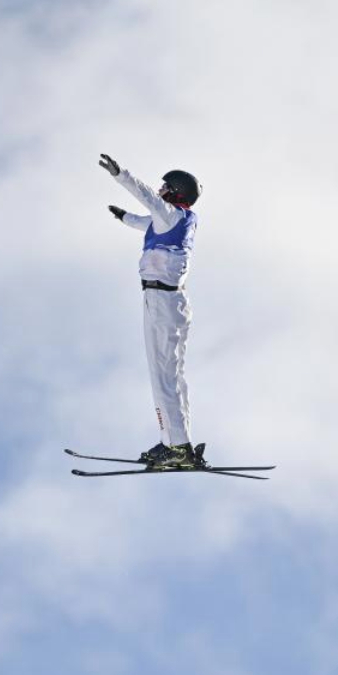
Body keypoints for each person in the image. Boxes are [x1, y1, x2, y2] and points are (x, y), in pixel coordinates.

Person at [98, 153, 205, 470]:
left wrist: (121, 175)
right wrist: (123, 218)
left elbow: (146, 197)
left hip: (161, 301)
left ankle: (177, 448)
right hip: (170, 301)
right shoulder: (178, 220)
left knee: (162, 376)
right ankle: (175, 440)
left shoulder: (170, 214)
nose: (159, 190)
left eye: (164, 187)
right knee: (171, 375)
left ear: (175, 192)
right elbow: (144, 221)